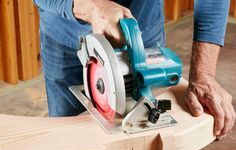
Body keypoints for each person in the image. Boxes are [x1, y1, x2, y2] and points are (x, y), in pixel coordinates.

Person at [33, 0, 235, 139]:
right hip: (64, 28)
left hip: (140, 29)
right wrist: (90, 7)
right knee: (65, 139)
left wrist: (204, 73)